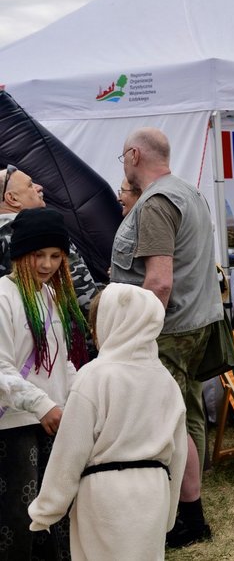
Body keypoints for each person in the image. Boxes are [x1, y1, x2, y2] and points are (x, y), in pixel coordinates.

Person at [110, 127, 223, 548]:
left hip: (167, 331)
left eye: (123, 158)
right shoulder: (188, 193)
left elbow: (158, 283)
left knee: (166, 424)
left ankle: (187, 517)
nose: (123, 166)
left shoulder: (156, 202)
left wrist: (129, 335)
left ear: (134, 155)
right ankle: (189, 513)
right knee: (187, 414)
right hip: (193, 325)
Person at [28, 284, 188, 560]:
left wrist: (47, 509)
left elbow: (70, 450)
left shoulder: (94, 377)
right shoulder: (166, 381)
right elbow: (179, 452)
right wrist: (170, 511)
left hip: (106, 496)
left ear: (108, 324)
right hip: (154, 491)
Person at [0, 208, 90, 560]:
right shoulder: (3, 297)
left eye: (56, 256)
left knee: (55, 513)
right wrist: (42, 405)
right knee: (17, 519)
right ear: (20, 253)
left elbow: (62, 361)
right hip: (13, 427)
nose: (47, 264)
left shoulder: (50, 295)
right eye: (39, 254)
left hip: (53, 421)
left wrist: (83, 394)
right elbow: (2, 366)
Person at [0, 165, 100, 317]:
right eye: (30, 185)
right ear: (12, 199)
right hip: (56, 331)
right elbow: (81, 294)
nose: (39, 187)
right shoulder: (40, 231)